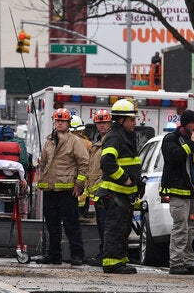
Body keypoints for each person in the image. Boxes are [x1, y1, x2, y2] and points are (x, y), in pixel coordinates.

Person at [33, 108, 90, 266]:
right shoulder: (49, 141)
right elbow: (43, 162)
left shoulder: (75, 141)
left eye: (62, 121)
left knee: (71, 224)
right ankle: (54, 255)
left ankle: (77, 255)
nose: (59, 123)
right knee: (52, 225)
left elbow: (84, 163)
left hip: (67, 190)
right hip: (50, 190)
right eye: (57, 121)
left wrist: (79, 184)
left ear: (68, 123)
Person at [98, 99, 143, 274]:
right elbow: (107, 161)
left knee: (123, 228)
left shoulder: (125, 136)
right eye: (132, 119)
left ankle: (120, 260)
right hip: (116, 192)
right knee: (116, 228)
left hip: (124, 194)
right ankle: (111, 263)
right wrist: (124, 178)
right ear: (122, 120)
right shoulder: (115, 137)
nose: (134, 122)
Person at [161, 109, 194, 275]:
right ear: (184, 123)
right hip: (178, 191)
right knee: (180, 227)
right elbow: (174, 157)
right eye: (192, 123)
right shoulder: (171, 139)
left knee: (191, 229)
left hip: (192, 191)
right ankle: (176, 263)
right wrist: (191, 144)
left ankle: (188, 261)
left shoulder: (193, 140)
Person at [84, 108, 112, 267]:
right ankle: (103, 253)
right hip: (98, 192)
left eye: (105, 122)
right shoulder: (98, 142)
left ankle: (105, 255)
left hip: (106, 191)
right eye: (99, 123)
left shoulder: (109, 141)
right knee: (102, 226)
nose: (102, 125)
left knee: (106, 226)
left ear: (110, 123)